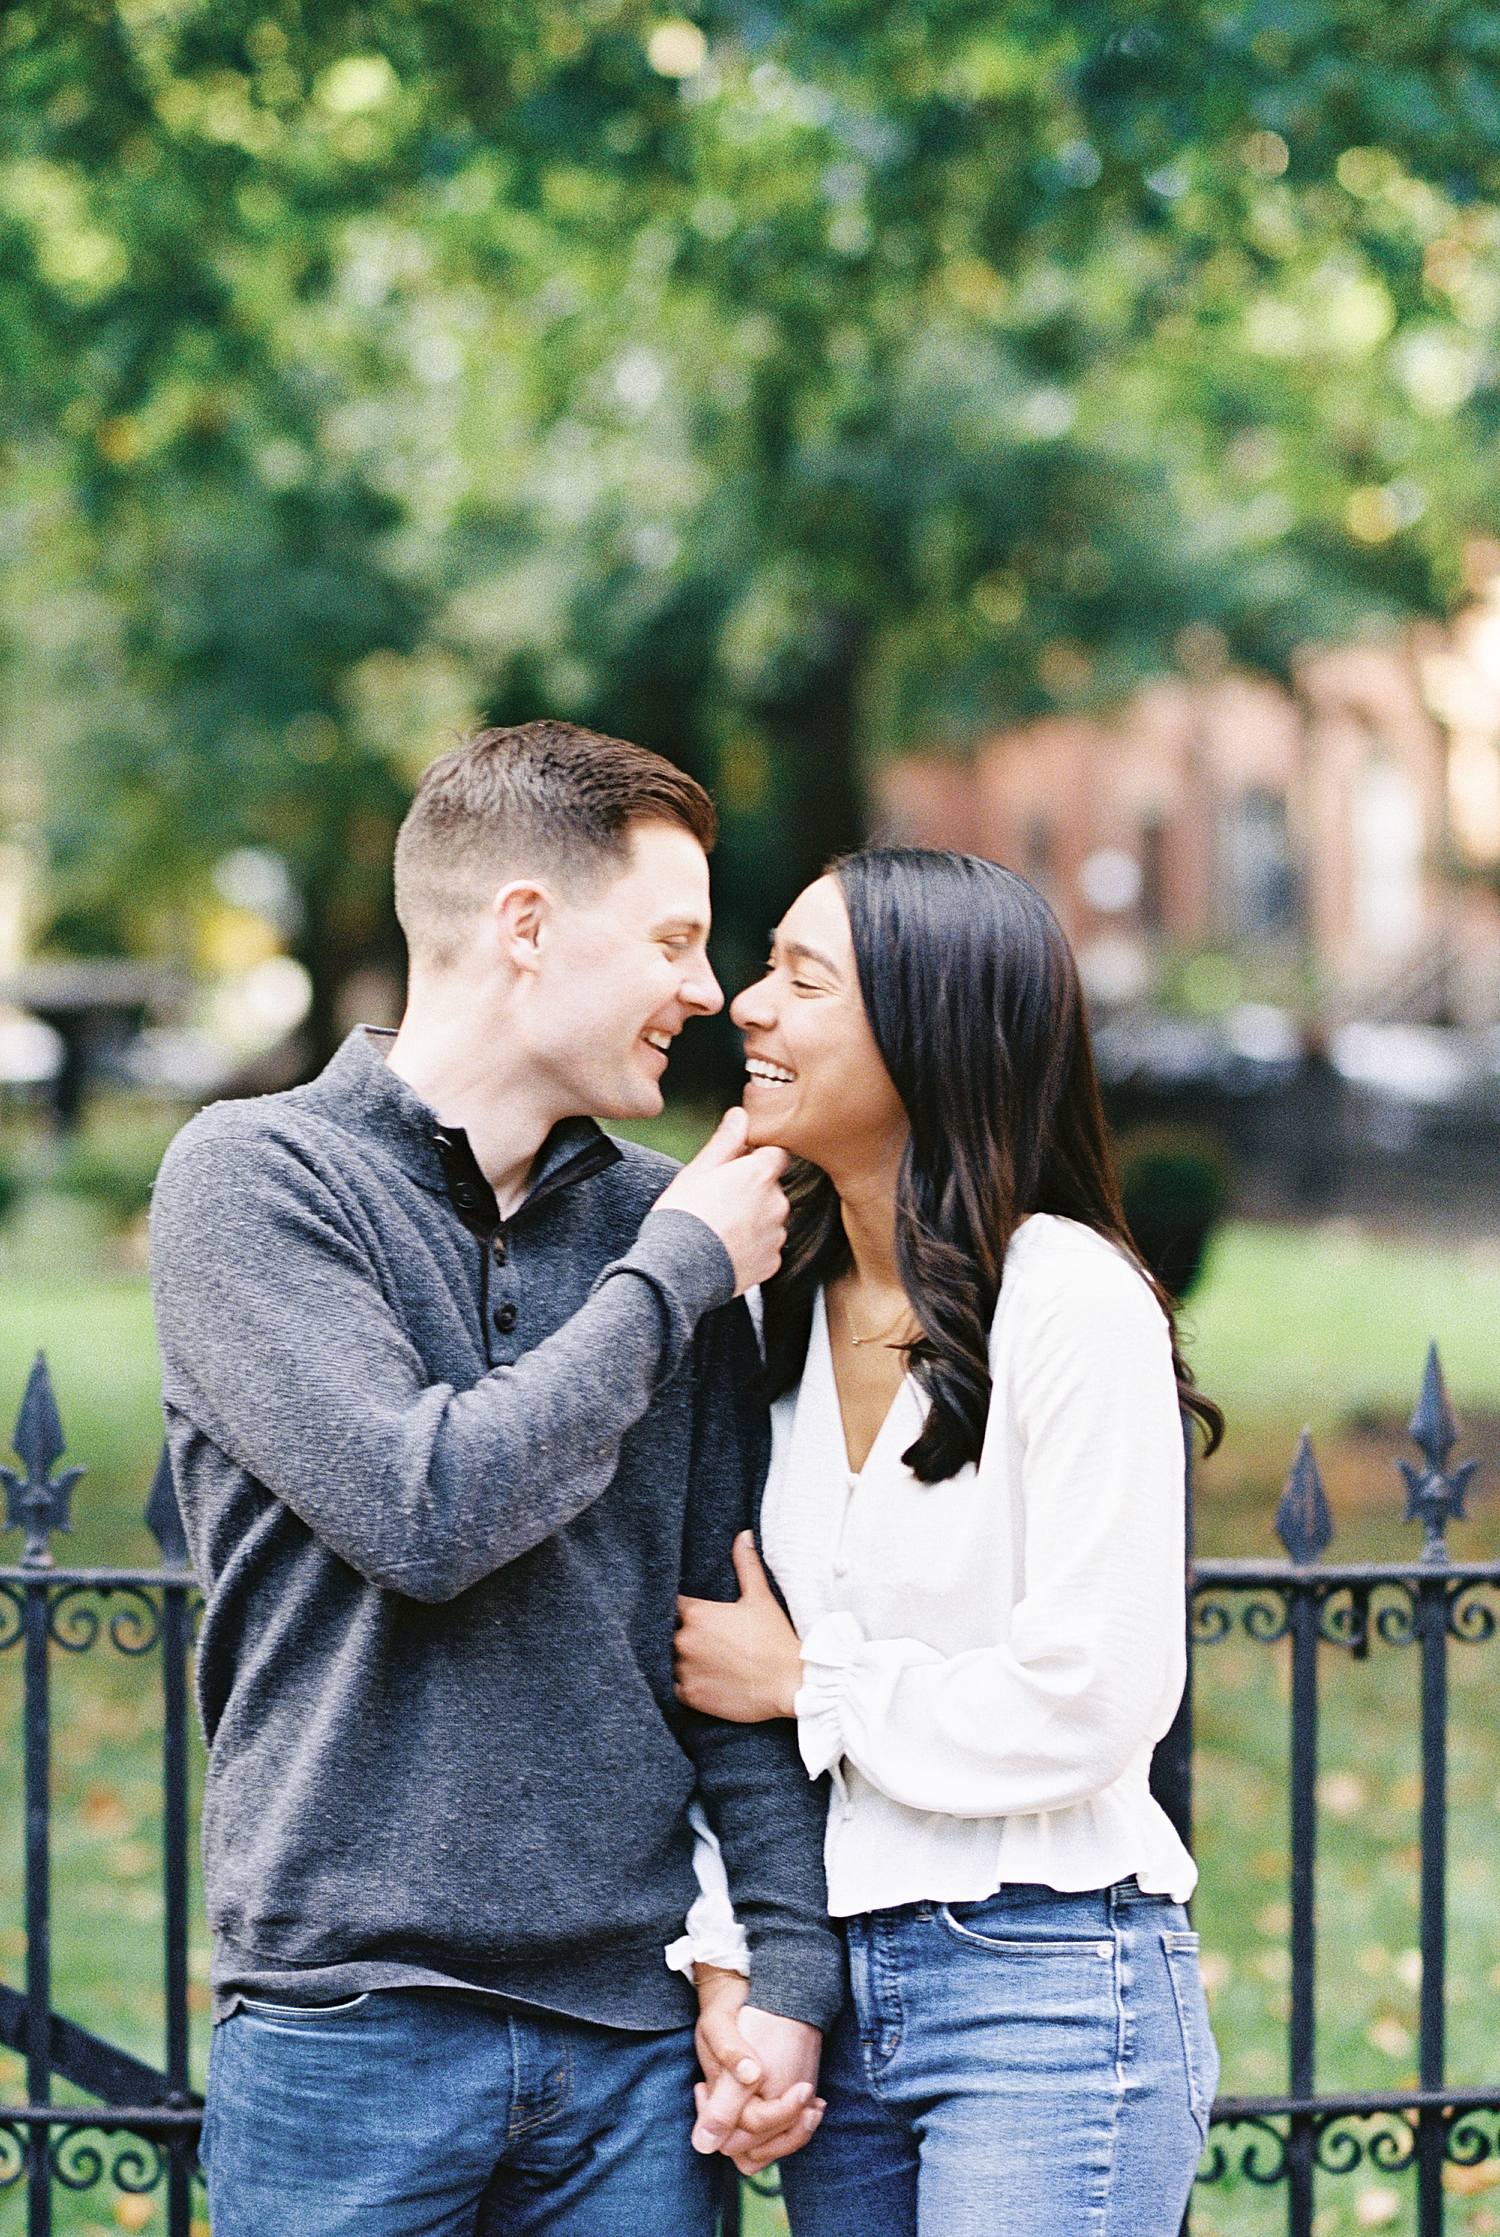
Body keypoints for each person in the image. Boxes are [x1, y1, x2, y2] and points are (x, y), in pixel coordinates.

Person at [148, 721, 843, 2237]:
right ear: (525, 927)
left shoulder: (677, 1225)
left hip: (633, 2051)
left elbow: (725, 1631)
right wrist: (670, 1283)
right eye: (671, 936)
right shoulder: (256, 1179)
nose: (705, 988)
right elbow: (426, 1509)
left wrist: (785, 1966)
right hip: (351, 2030)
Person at [673, 847, 1222, 2236]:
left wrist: (816, 1683)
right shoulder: (768, 1313)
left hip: (1045, 1970)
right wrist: (740, 1964)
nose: (746, 1003)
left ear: (928, 1031)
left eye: (803, 979)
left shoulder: (1071, 1302)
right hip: (840, 2002)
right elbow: (704, 1692)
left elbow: (1096, 1694)